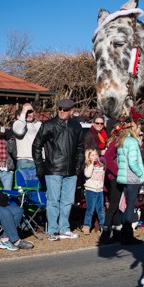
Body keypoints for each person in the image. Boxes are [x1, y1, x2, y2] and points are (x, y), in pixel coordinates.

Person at [32, 98, 84, 241]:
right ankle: (53, 230)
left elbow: (80, 147)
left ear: (72, 111)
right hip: (53, 169)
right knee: (53, 201)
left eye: (65, 109)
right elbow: (36, 145)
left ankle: (64, 228)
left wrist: (80, 164)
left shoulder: (76, 125)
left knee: (67, 201)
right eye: (60, 108)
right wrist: (39, 165)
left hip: (71, 170)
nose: (61, 111)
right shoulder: (48, 125)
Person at [115, 120, 144, 244]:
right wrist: (141, 174)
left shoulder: (122, 141)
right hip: (132, 177)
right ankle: (127, 234)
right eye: (138, 128)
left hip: (124, 177)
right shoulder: (132, 142)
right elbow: (133, 163)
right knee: (130, 205)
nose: (140, 131)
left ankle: (124, 232)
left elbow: (119, 161)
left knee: (127, 205)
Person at [12, 102, 42, 170]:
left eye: (30, 112)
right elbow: (19, 131)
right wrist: (23, 112)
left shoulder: (39, 124)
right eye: (26, 112)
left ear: (34, 112)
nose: (28, 114)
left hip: (39, 160)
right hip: (24, 160)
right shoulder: (17, 124)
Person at [82, 148, 105, 235]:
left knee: (101, 210)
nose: (95, 157)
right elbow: (87, 174)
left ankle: (103, 226)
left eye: (96, 155)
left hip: (99, 190)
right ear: (88, 157)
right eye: (92, 155)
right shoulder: (88, 167)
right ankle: (86, 226)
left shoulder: (101, 166)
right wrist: (91, 164)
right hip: (90, 190)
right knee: (90, 210)